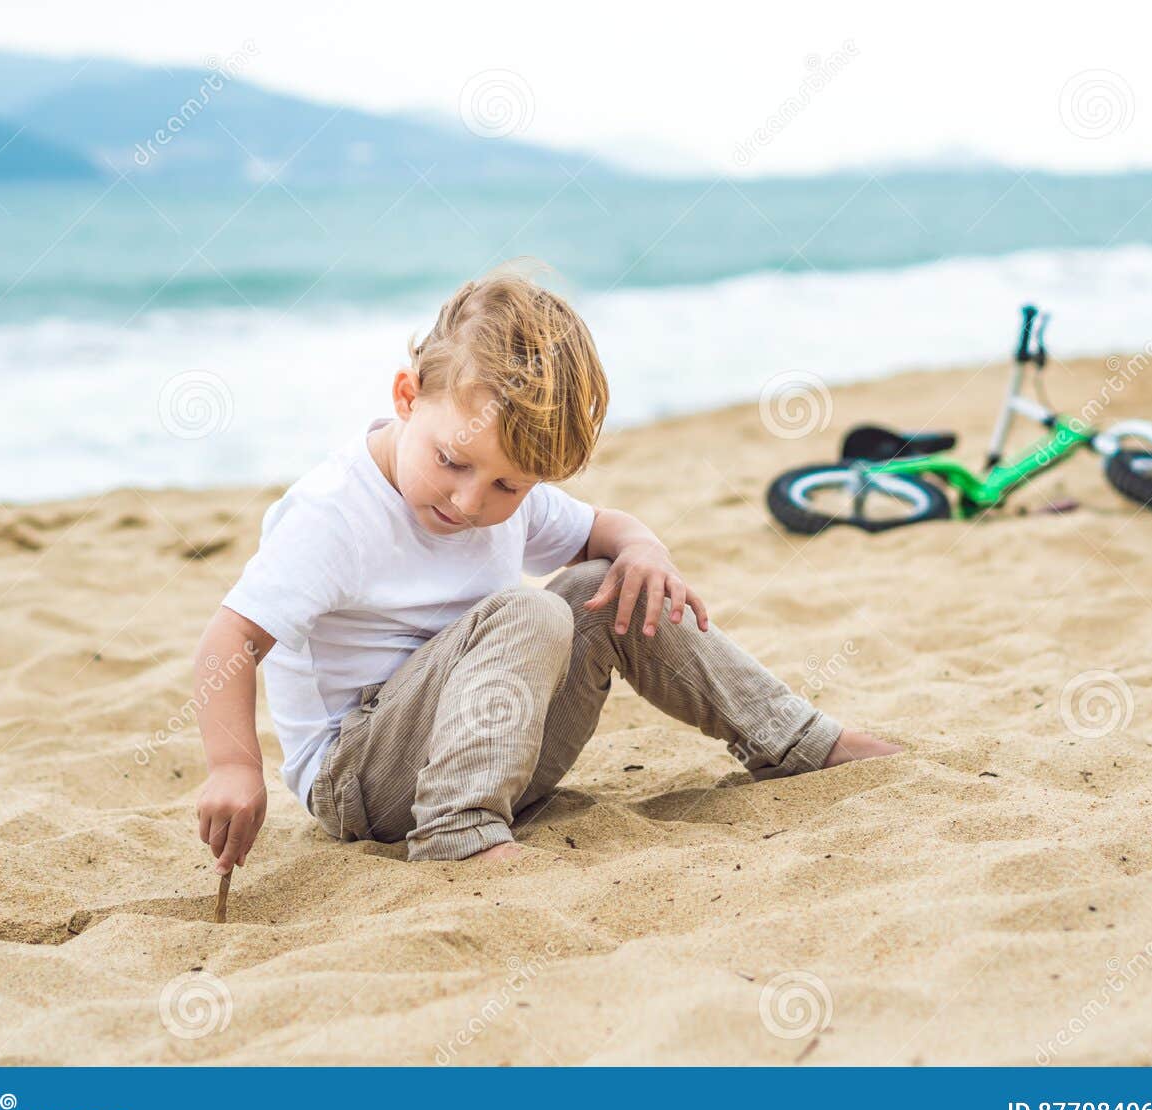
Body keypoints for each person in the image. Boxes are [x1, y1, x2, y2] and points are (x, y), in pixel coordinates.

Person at [193, 270, 900, 869]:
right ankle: (457, 834)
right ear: (407, 397)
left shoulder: (505, 495)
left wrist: (646, 548)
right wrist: (234, 765)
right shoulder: (334, 514)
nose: (471, 501)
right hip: (362, 778)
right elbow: (230, 642)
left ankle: (794, 737)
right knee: (533, 609)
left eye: (509, 486)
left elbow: (606, 530)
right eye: (452, 460)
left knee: (609, 582)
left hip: (498, 746)